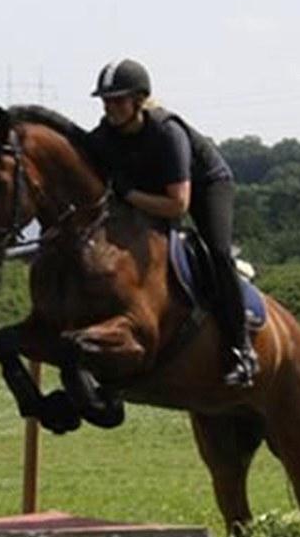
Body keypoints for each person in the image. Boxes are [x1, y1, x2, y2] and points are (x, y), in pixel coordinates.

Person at [83, 58, 259, 387]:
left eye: (118, 100)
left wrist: (130, 195)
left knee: (218, 253)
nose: (110, 108)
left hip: (205, 186)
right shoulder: (104, 136)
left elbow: (177, 206)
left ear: (138, 100)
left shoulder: (167, 132)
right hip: (154, 189)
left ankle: (242, 349)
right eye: (106, 101)